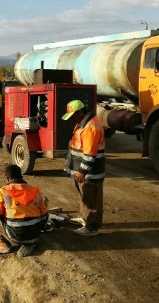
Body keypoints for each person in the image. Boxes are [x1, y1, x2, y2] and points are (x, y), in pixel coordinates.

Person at [62, 99, 106, 237]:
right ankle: (84, 218)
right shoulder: (82, 123)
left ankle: (92, 226)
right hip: (82, 169)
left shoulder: (91, 127)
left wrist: (82, 171)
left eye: (74, 115)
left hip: (90, 171)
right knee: (85, 195)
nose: (72, 119)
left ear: (81, 112)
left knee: (91, 198)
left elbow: (89, 154)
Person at [0, 164, 48, 257]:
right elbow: (44, 216)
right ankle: (29, 243)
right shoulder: (36, 191)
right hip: (35, 234)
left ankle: (3, 244)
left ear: (7, 179)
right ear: (21, 177)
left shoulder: (2, 192)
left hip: (14, 235)